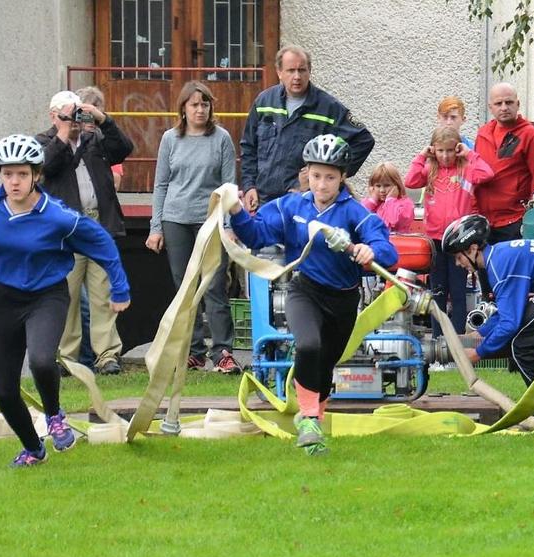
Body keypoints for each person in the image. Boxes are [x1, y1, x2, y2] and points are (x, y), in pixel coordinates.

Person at [228, 134, 397, 456]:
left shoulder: (355, 212)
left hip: (344, 300)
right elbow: (255, 235)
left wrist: (367, 249)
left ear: (343, 177)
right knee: (308, 345)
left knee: (325, 364)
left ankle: (313, 428)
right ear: (307, 173)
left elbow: (387, 252)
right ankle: (307, 419)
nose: (322, 185)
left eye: (330, 178)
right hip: (304, 291)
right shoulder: (290, 206)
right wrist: (236, 210)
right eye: (316, 176)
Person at [0, 134, 130, 467]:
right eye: (8, 173)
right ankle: (33, 448)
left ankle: (55, 415)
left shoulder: (57, 216)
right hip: (2, 298)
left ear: (36, 175)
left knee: (42, 361)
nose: (14, 181)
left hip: (47, 295)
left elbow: (102, 244)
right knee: (4, 391)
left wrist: (120, 288)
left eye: (22, 174)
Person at [37, 88, 133, 375]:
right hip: (66, 229)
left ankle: (106, 355)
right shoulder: (43, 141)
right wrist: (64, 134)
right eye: (69, 114)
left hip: (98, 224)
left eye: (78, 113)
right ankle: (67, 356)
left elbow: (123, 148)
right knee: (66, 293)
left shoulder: (95, 138)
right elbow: (45, 167)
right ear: (53, 115)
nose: (76, 120)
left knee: (103, 292)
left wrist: (103, 119)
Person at [145, 80, 239, 372]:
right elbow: (161, 184)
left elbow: (228, 186)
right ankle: (193, 350)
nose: (200, 110)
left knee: (214, 285)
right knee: (184, 287)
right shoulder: (170, 139)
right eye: (194, 104)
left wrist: (228, 225)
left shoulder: (221, 138)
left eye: (205, 104)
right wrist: (155, 226)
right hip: (175, 219)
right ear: (183, 109)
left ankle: (222, 351)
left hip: (210, 221)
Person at [443, 214, 534, 410]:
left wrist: (478, 352)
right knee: (522, 337)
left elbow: (509, 323)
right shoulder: (499, 257)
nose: (457, 263)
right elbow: (509, 311)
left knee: (521, 343)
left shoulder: (499, 266)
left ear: (472, 249)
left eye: (458, 257)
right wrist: (479, 334)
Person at [240, 45, 375, 210]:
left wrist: (332, 173)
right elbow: (248, 147)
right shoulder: (264, 102)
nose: (297, 76)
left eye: (302, 70)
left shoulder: (328, 107)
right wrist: (249, 186)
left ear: (309, 71)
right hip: (264, 202)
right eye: (291, 70)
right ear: (279, 72)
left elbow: (363, 141)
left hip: (304, 203)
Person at [405, 126, 493, 335]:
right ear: (433, 150)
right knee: (438, 293)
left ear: (457, 149)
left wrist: (469, 154)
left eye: (450, 150)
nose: (445, 156)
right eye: (440, 150)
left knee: (458, 292)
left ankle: (457, 344)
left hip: (458, 242)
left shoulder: (466, 170)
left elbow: (487, 174)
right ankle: (438, 341)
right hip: (435, 240)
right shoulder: (429, 170)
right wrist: (421, 156)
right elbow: (410, 181)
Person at [474, 82, 534, 244]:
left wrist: (532, 218)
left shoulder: (530, 135)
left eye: (508, 102)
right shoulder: (482, 134)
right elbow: (474, 174)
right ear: (490, 107)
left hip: (515, 222)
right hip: (484, 222)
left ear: (518, 104)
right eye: (498, 103)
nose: (504, 107)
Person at [362, 162, 413, 233]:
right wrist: (372, 201)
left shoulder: (405, 203)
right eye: (378, 186)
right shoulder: (373, 204)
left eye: (387, 185)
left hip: (396, 242)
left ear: (396, 185)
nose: (382, 190)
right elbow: (360, 219)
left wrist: (390, 201)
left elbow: (395, 222)